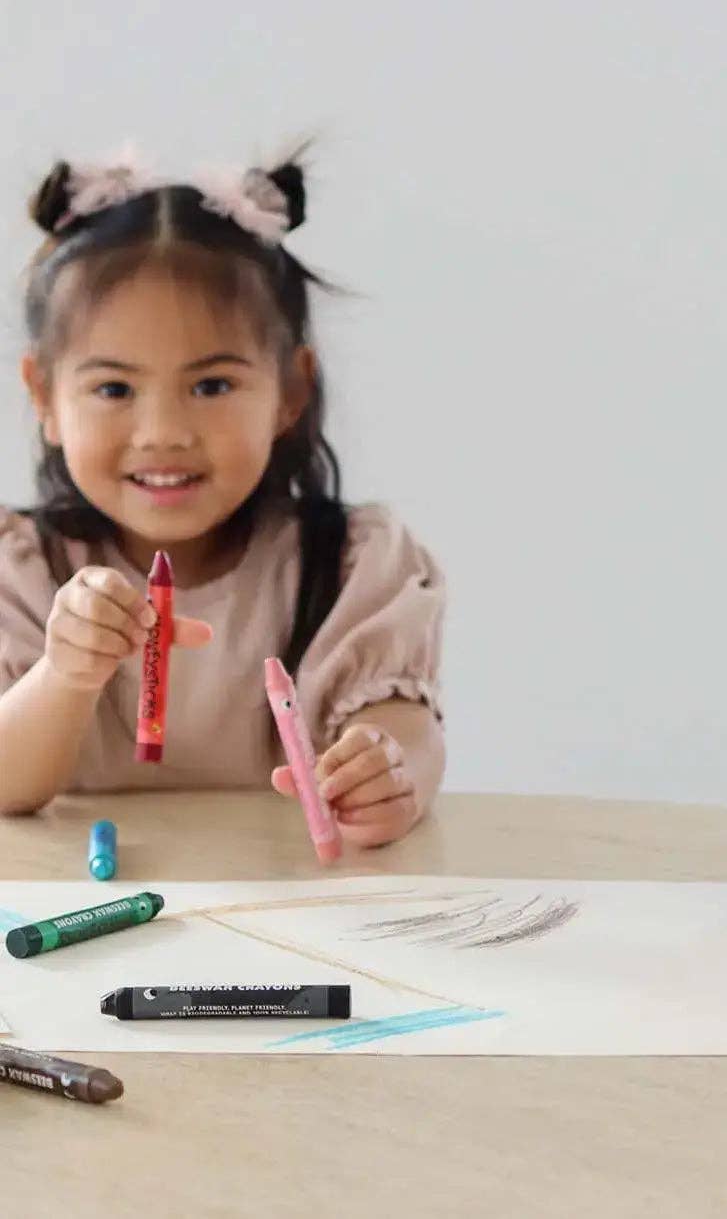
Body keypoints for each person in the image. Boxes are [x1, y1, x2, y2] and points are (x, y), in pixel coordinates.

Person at [0, 154, 445, 848]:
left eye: (211, 386)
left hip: (284, 913)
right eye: (114, 389)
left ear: (290, 392)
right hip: (84, 918)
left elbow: (402, 721)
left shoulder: (349, 561)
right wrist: (66, 672)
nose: (164, 433)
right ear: (44, 398)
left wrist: (390, 769)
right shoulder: (20, 567)